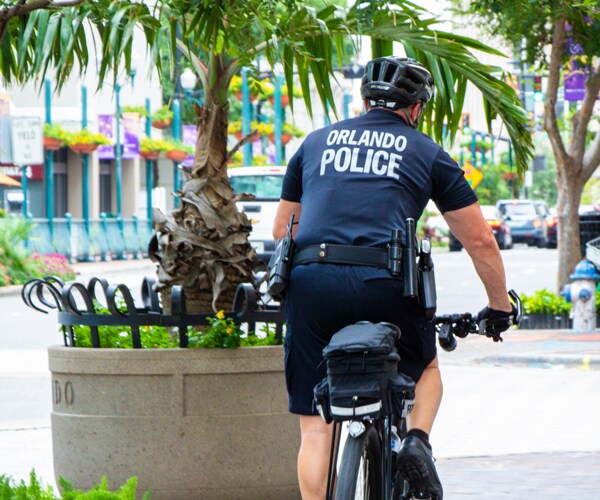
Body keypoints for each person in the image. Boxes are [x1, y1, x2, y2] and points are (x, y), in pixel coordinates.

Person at [272, 56, 515, 500]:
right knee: (426, 367)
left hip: (311, 281)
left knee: (315, 428)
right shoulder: (426, 152)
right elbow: (480, 239)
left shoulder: (314, 143)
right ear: (416, 108)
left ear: (364, 99)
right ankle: (417, 442)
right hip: (386, 282)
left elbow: (281, 230)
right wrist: (499, 307)